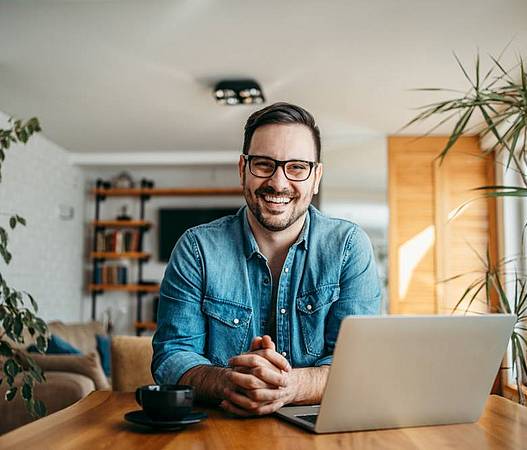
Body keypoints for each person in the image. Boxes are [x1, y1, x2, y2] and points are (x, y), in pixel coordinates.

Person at [152, 102, 381, 416]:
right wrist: (228, 382)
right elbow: (172, 357)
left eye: (297, 167)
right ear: (243, 169)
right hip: (217, 431)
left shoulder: (349, 247)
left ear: (316, 178)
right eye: (263, 164)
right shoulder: (196, 249)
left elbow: (359, 365)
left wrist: (289, 386)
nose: (279, 182)